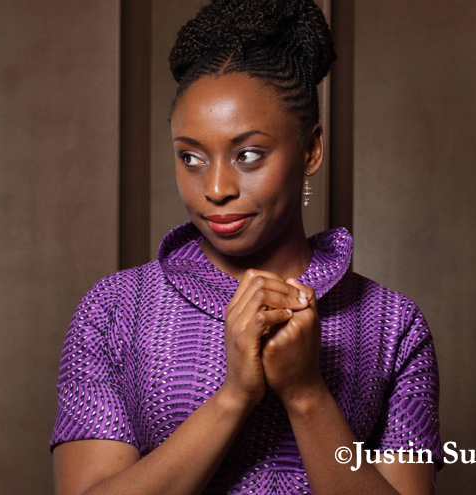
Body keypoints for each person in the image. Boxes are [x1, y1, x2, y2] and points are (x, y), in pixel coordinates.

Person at [50, 1, 443, 494]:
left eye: (248, 154)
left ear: (310, 151)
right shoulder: (113, 310)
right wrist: (233, 397)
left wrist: (306, 394)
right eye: (190, 157)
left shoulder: (393, 326)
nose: (216, 188)